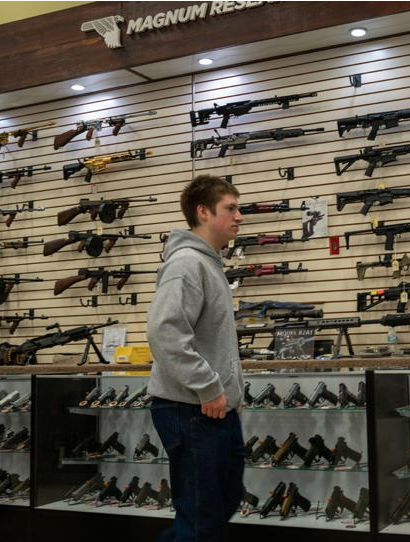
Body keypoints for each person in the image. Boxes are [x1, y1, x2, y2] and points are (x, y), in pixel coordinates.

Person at [147, 175, 245, 541]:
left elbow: (211, 341)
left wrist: (230, 394)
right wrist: (208, 387)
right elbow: (165, 332)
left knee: (218, 505)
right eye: (230, 208)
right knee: (201, 520)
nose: (239, 217)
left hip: (213, 408)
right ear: (203, 212)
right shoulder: (187, 263)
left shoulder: (209, 264)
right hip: (190, 408)